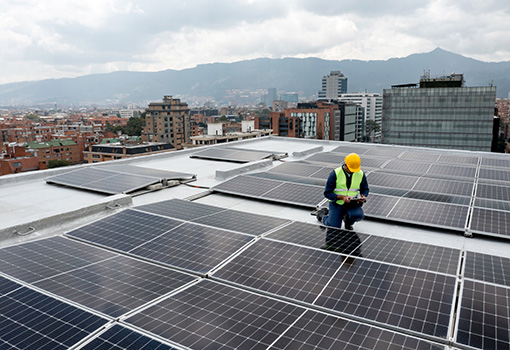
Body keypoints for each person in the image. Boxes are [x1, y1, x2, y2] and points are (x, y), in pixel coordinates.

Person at [316, 153, 369, 230]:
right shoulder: (335, 174)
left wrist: (363, 195)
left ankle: (347, 221)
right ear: (346, 165)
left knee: (358, 215)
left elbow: (365, 189)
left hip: (352, 203)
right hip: (337, 203)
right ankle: (322, 216)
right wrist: (341, 197)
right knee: (334, 226)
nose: (353, 172)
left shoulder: (360, 174)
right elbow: (327, 193)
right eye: (351, 170)